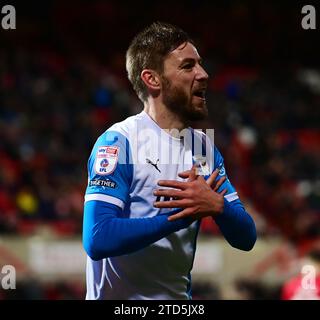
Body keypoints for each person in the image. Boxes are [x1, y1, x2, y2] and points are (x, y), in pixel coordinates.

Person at [82, 22, 257, 300]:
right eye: (188, 66)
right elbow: (97, 237)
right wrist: (179, 218)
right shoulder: (120, 141)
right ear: (153, 80)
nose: (203, 74)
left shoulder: (202, 147)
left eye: (200, 64)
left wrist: (218, 206)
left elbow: (246, 237)